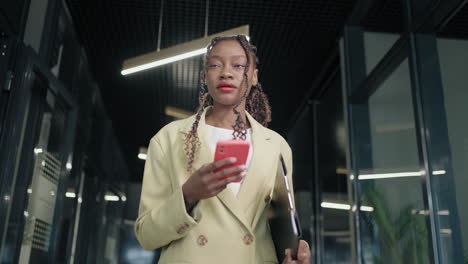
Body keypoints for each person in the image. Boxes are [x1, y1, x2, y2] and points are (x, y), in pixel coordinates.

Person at [135, 34, 311, 264]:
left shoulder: (276, 145)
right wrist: (188, 195)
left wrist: (293, 252)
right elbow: (146, 236)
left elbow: (281, 225)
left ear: (254, 76)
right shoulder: (168, 139)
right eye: (215, 65)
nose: (226, 73)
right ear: (205, 76)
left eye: (238, 65)